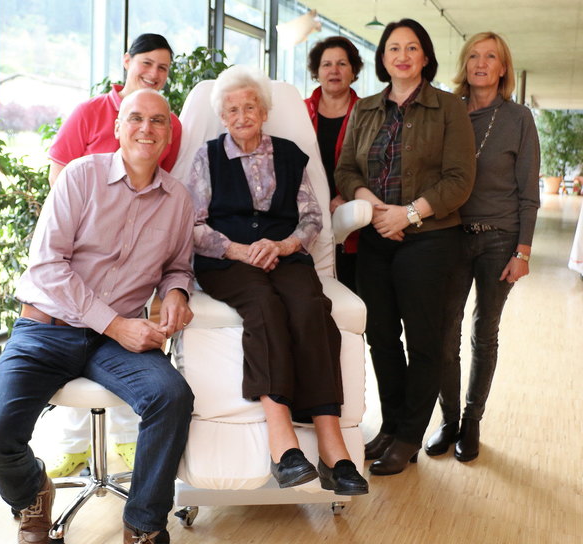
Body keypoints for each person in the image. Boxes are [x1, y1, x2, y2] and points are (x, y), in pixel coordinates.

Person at [0, 89, 195, 544]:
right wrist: (115, 324)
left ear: (170, 135)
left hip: (116, 343)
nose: (146, 129)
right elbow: (48, 265)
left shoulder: (178, 201)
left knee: (172, 397)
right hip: (47, 329)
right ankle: (33, 493)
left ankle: (144, 526)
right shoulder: (80, 176)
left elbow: (178, 265)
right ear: (117, 127)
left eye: (158, 121)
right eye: (135, 118)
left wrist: (175, 293)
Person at [183, 65, 368, 496]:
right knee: (264, 307)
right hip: (228, 261)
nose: (242, 114)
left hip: (285, 257)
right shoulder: (206, 158)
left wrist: (283, 246)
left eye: (250, 106)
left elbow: (311, 218)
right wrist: (239, 250)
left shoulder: (289, 154)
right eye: (232, 109)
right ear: (223, 117)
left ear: (264, 111)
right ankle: (283, 444)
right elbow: (192, 223)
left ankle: (332, 445)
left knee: (310, 308)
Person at [335, 18, 476, 476]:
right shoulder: (366, 109)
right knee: (380, 337)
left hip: (431, 239)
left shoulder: (449, 108)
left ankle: (411, 435)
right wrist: (377, 210)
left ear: (426, 57)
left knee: (423, 340)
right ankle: (391, 424)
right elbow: (346, 171)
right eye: (393, 48)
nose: (402, 55)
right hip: (377, 237)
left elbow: (460, 180)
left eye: (411, 47)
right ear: (382, 58)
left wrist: (408, 214)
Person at [46, 33, 182, 477]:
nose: (154, 74)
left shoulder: (168, 123)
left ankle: (125, 441)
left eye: (163, 68)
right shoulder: (90, 112)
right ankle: (75, 447)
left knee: (123, 344)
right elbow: (60, 171)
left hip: (127, 265)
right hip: (78, 247)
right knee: (73, 342)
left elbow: (158, 183)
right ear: (127, 61)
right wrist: (84, 230)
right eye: (147, 63)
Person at [424, 32, 540, 462]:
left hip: (499, 238)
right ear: (464, 64)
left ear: (503, 68)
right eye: (473, 55)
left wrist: (522, 252)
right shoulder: (446, 111)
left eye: (491, 57)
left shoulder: (519, 118)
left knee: (483, 334)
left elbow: (529, 193)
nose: (481, 63)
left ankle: (472, 421)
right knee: (443, 334)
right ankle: (449, 419)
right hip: (450, 234)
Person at [305, 36, 363, 291]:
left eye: (342, 63)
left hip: (354, 220)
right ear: (317, 72)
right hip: (307, 217)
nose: (334, 70)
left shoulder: (368, 113)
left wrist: (346, 197)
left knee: (353, 296)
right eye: (326, 64)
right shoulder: (300, 111)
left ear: (353, 71)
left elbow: (378, 166)